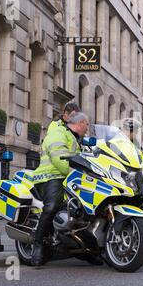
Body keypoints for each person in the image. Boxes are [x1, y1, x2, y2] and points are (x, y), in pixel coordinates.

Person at [31, 112, 100, 266]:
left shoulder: (78, 139)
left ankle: (85, 249)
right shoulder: (58, 133)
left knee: (86, 210)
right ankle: (38, 245)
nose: (88, 128)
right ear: (81, 123)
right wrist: (74, 173)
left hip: (71, 177)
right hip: (51, 176)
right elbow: (59, 158)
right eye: (87, 125)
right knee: (52, 207)